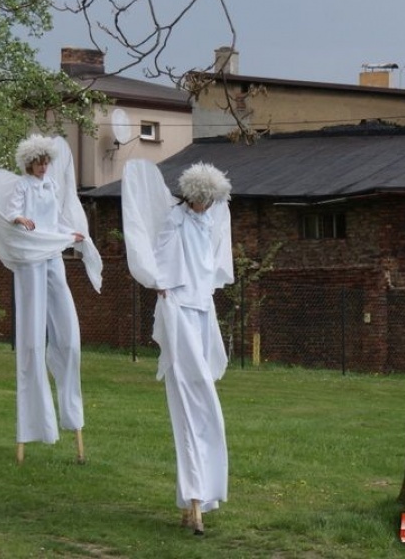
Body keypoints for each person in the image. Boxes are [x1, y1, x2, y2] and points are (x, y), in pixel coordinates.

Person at [122, 160, 233, 535]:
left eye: (209, 200)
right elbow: (158, 258)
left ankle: (199, 497)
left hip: (202, 311)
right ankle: (195, 497)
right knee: (191, 399)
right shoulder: (176, 220)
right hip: (178, 310)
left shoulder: (214, 217)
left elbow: (215, 267)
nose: (203, 205)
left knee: (205, 406)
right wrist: (162, 285)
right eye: (199, 199)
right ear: (190, 196)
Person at [0, 134, 102, 465]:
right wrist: (19, 219)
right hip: (31, 255)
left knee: (69, 336)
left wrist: (71, 233)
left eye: (47, 161)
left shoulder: (50, 185)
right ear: (29, 162)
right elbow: (12, 211)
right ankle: (35, 424)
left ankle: (71, 414)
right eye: (40, 162)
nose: (45, 166)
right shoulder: (23, 185)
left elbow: (60, 217)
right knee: (32, 338)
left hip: (52, 252)